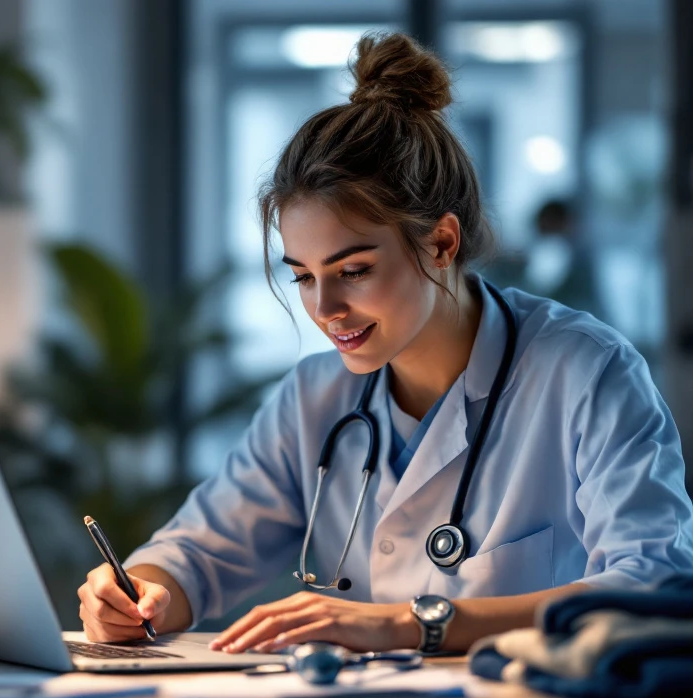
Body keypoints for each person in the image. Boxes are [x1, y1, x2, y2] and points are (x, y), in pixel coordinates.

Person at [76, 33, 693, 655]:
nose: (325, 309)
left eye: (354, 270)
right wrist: (138, 594)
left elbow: (654, 585)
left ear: (441, 243)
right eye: (304, 276)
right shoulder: (314, 398)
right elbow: (199, 553)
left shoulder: (586, 370)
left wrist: (409, 622)